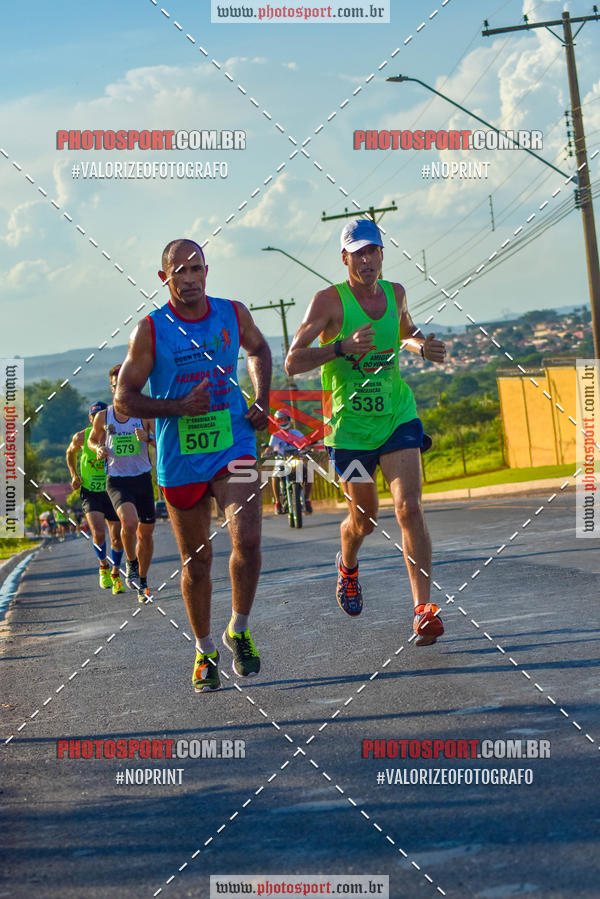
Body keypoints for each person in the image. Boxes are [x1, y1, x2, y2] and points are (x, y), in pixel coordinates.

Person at [114, 238, 271, 692]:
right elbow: (124, 399)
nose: (188, 279)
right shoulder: (150, 330)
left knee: (249, 539)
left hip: (232, 443)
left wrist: (262, 398)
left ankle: (238, 628)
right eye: (178, 271)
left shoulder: (232, 313)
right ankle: (204, 650)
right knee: (197, 562)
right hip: (179, 456)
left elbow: (259, 350)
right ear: (163, 278)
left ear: (206, 270)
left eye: (195, 268)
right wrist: (178, 407)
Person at [285, 217, 446, 646]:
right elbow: (293, 361)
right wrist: (340, 347)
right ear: (345, 258)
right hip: (349, 431)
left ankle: (422, 610)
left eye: (373, 250)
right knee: (366, 519)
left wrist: (422, 346)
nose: (367, 259)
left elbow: (406, 331)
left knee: (409, 508)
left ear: (381, 253)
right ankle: (348, 565)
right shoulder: (328, 302)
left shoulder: (396, 293)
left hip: (396, 416)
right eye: (358, 253)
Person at [88, 366, 156, 603]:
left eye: (125, 383)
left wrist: (148, 438)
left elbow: (161, 441)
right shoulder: (104, 416)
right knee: (129, 521)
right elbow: (92, 440)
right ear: (112, 388)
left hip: (142, 478)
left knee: (146, 535)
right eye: (116, 385)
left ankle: (143, 581)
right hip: (117, 480)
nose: (120, 388)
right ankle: (131, 563)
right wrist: (98, 448)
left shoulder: (144, 414)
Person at [66, 401, 126, 594]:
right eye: (94, 416)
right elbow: (69, 453)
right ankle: (103, 566)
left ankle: (116, 574)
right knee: (98, 533)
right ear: (91, 419)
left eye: (102, 414)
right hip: (90, 492)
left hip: (113, 490)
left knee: (116, 538)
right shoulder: (81, 437)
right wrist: (74, 475)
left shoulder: (115, 434)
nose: (98, 418)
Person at [264, 409, 313, 514]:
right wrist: (266, 452)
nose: (283, 421)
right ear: (277, 422)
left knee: (308, 473)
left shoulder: (297, 433)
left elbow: (305, 444)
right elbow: (270, 447)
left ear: (289, 419)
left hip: (296, 460)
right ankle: (278, 502)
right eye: (280, 420)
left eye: (285, 419)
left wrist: (310, 449)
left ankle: (307, 499)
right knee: (275, 475)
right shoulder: (275, 436)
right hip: (281, 461)